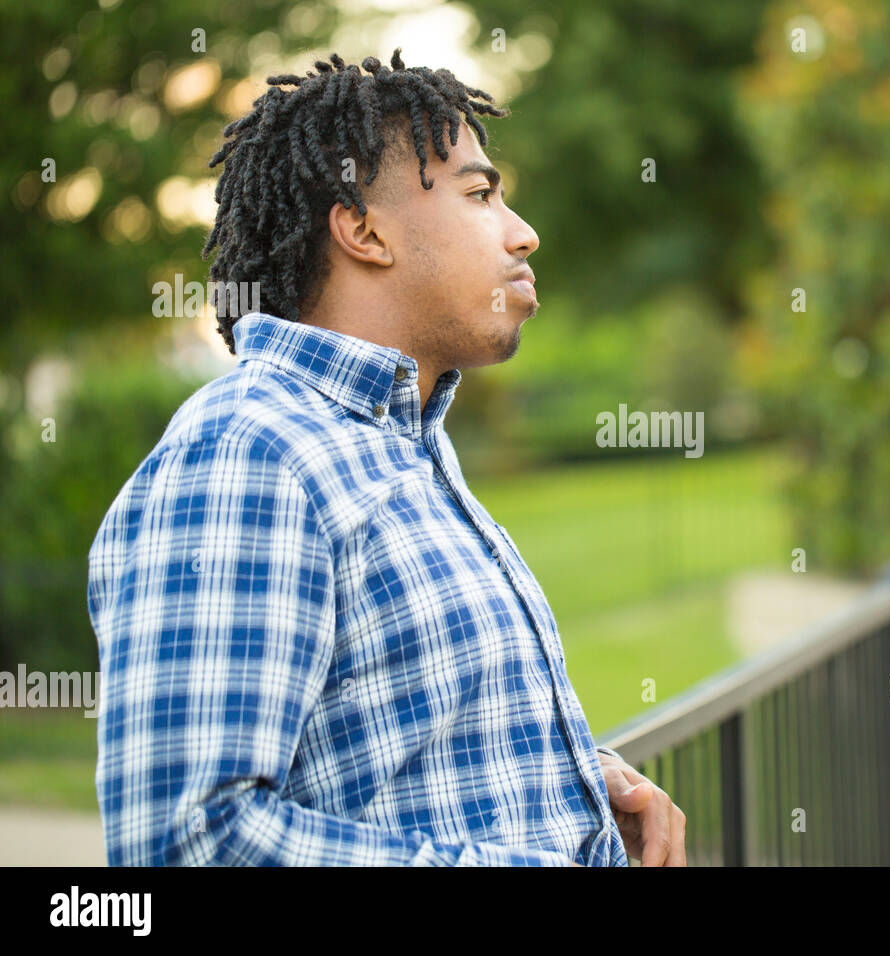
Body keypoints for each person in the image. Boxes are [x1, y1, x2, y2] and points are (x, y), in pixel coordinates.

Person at [87, 49, 686, 867]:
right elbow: (193, 839)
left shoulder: (401, 444)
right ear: (364, 230)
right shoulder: (248, 452)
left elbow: (400, 747)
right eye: (479, 195)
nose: (523, 233)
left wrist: (574, 781)